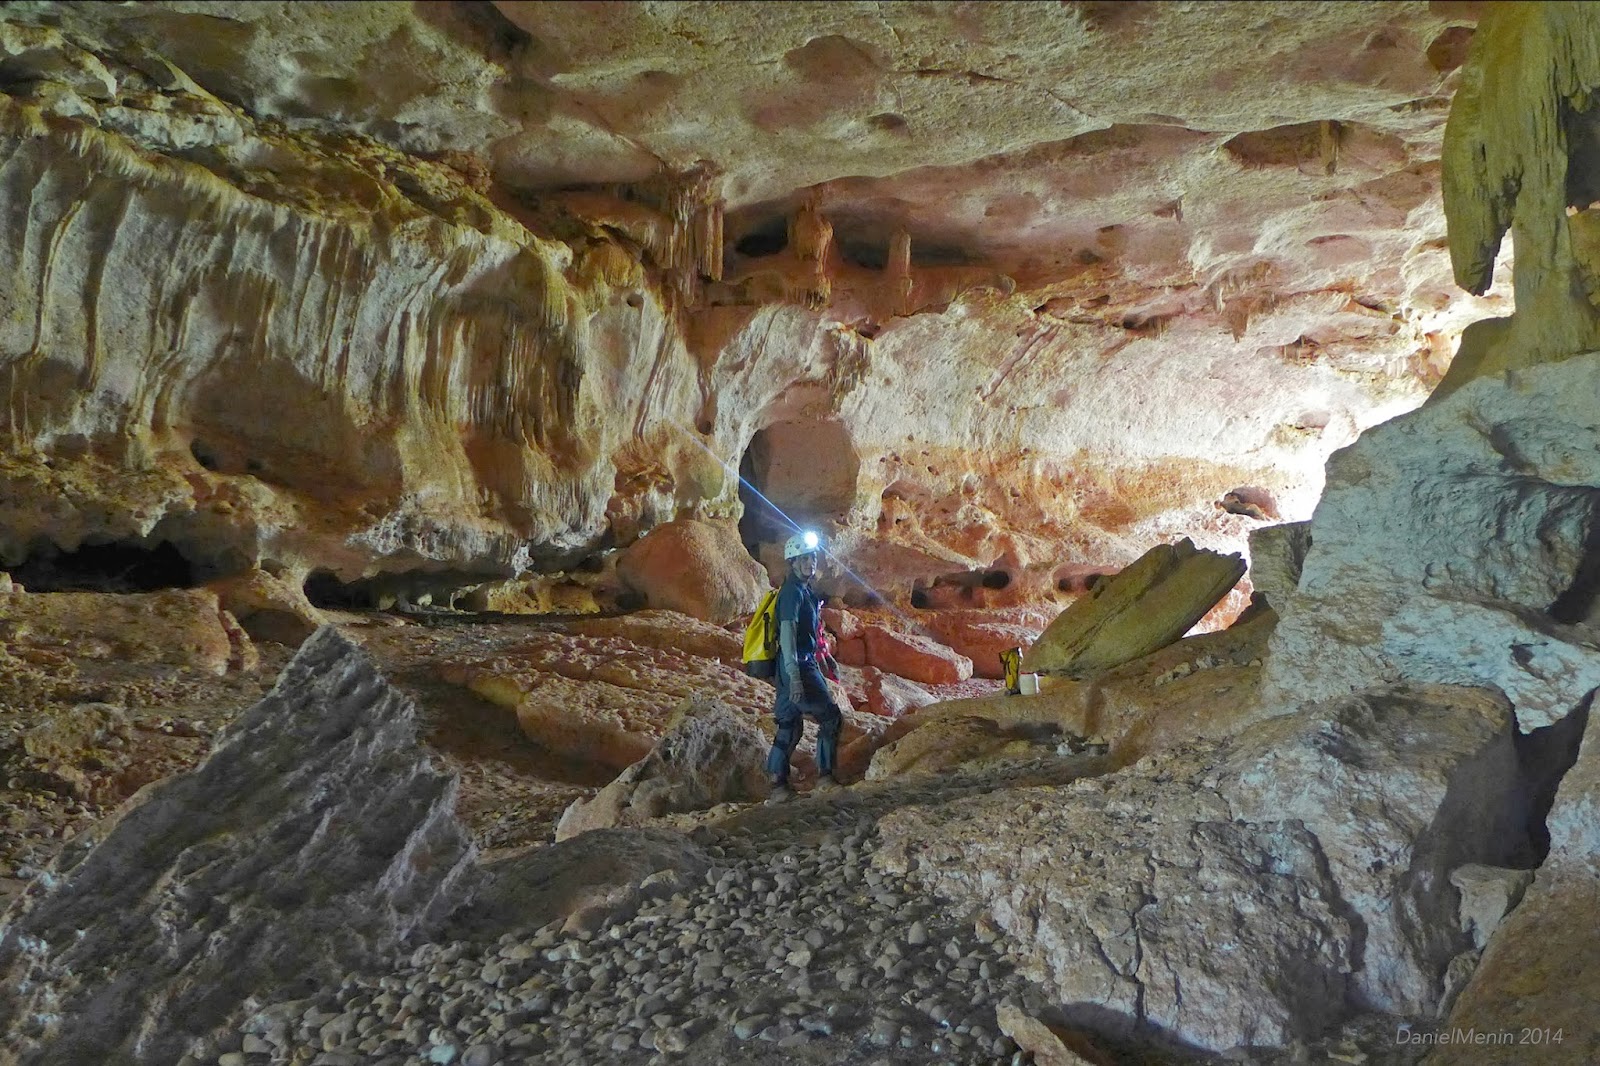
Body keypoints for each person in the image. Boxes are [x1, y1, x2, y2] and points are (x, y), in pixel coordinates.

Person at [766, 529, 844, 802]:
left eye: (812, 558)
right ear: (793, 563)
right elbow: (787, 636)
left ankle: (778, 787)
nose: (811, 563)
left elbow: (811, 632)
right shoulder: (792, 594)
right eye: (804, 559)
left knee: (790, 725)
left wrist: (825, 657)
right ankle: (824, 778)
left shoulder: (802, 591)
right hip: (797, 667)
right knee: (831, 718)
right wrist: (796, 676)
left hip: (794, 667)